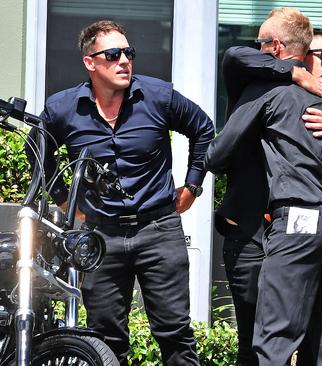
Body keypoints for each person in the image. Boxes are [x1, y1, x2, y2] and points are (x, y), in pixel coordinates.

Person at [27, 20, 215, 365]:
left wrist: (192, 187)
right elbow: (37, 148)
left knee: (175, 333)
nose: (124, 61)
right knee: (105, 337)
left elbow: (204, 129)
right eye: (113, 54)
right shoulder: (63, 108)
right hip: (102, 235)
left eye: (128, 52)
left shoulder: (158, 96)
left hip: (159, 229)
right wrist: (64, 199)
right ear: (90, 62)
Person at [205, 8, 322, 365]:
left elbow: (217, 155)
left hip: (295, 226)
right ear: (304, 53)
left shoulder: (273, 93)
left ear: (278, 46)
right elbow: (235, 56)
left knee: (272, 342)